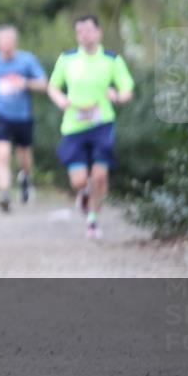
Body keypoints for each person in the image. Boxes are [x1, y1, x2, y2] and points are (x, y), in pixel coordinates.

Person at [47, 15, 134, 239]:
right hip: (74, 126)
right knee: (78, 180)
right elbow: (53, 87)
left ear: (98, 33)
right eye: (79, 32)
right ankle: (83, 194)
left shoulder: (111, 59)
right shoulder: (67, 59)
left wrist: (118, 96)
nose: (84, 35)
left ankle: (93, 221)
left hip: (102, 124)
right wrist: (61, 100)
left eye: (88, 30)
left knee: (99, 177)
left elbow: (127, 89)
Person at [0, 25, 47, 212]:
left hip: (22, 116)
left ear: (15, 42)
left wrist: (25, 82)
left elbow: (44, 84)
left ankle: (26, 177)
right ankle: (4, 194)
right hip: (0, 114)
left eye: (8, 41)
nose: (4, 45)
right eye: (1, 41)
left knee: (24, 155)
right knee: (2, 153)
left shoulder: (27, 60)